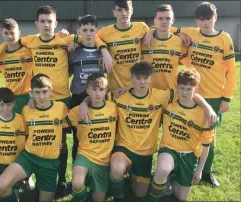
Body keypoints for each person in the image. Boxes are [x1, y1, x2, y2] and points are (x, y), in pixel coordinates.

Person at [0, 5, 112, 197]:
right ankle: (26, 176)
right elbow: (10, 42)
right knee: (32, 136)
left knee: (60, 142)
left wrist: (104, 51)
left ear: (56, 23)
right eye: (42, 21)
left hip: (61, 99)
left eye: (49, 21)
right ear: (37, 24)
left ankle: (61, 179)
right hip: (37, 99)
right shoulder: (30, 41)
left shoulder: (64, 39)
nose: (46, 25)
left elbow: (92, 37)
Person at [79, 61, 216, 200]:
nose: (142, 82)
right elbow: (97, 98)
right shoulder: (119, 96)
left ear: (151, 79)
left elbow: (189, 91)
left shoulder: (160, 96)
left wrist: (208, 108)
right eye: (138, 78)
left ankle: (133, 176)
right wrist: (84, 103)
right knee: (116, 170)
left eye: (145, 78)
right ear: (131, 78)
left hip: (146, 152)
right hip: (124, 147)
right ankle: (118, 194)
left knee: (140, 193)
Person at [155, 2, 236, 187]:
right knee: (180, 130)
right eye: (200, 19)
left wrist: (227, 97)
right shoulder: (191, 32)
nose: (204, 22)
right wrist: (164, 33)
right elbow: (168, 26)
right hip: (189, 92)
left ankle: (206, 172)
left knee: (209, 136)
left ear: (215, 18)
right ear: (196, 20)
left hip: (214, 95)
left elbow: (231, 71)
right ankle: (174, 166)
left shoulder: (224, 38)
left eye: (208, 18)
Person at [0, 74, 68, 202]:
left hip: (49, 163)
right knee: (0, 185)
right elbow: (25, 134)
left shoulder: (61, 107)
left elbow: (73, 120)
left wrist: (85, 103)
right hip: (29, 157)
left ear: (51, 91)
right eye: (37, 92)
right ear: (31, 93)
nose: (41, 96)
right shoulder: (26, 110)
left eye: (45, 92)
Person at [148, 69, 215, 201]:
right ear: (177, 86)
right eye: (182, 88)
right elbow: (147, 94)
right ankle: (153, 195)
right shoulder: (168, 103)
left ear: (196, 88)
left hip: (189, 155)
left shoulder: (204, 114)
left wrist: (199, 170)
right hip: (169, 149)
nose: (184, 92)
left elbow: (206, 145)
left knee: (180, 197)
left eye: (189, 89)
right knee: (163, 169)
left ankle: (172, 180)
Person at [65, 73, 117, 202]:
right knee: (77, 184)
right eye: (94, 90)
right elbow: (55, 122)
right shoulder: (78, 111)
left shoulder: (114, 108)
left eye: (101, 89)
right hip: (85, 155)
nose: (98, 93)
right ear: (87, 90)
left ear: (107, 90)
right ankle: (83, 198)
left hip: (104, 160)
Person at [68, 14, 104, 161]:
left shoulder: (103, 51)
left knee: (98, 136)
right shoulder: (73, 52)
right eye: (85, 30)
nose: (88, 33)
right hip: (78, 97)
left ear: (97, 31)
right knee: (79, 137)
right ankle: (78, 170)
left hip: (97, 98)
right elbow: (67, 72)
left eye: (91, 30)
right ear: (79, 32)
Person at [142, 4, 187, 90]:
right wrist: (151, 31)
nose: (164, 22)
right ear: (155, 21)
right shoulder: (145, 40)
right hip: (149, 93)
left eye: (168, 18)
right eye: (160, 18)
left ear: (173, 20)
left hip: (171, 92)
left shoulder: (179, 41)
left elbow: (188, 65)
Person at [0, 18, 33, 114]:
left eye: (12, 33)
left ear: (19, 33)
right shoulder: (0, 55)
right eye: (6, 33)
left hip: (28, 97)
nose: (9, 36)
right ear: (2, 34)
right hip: (9, 99)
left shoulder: (29, 51)